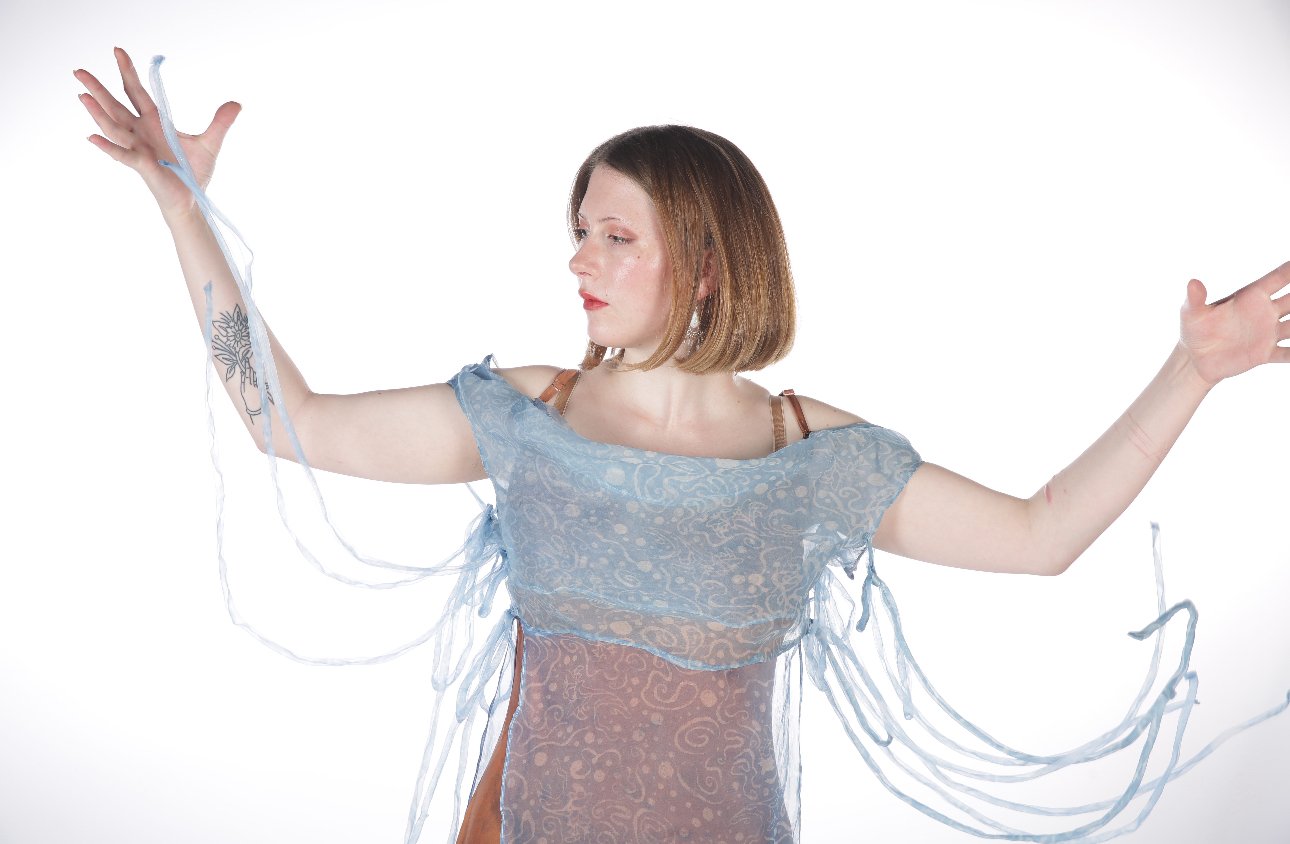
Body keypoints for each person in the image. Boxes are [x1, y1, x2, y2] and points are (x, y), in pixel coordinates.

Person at [76, 47, 1289, 843]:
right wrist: (183, 205)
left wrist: (1194, 369)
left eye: (613, 235)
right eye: (577, 232)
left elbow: (1041, 538)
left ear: (706, 262)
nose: (577, 260)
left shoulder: (811, 454)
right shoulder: (527, 416)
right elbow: (288, 420)